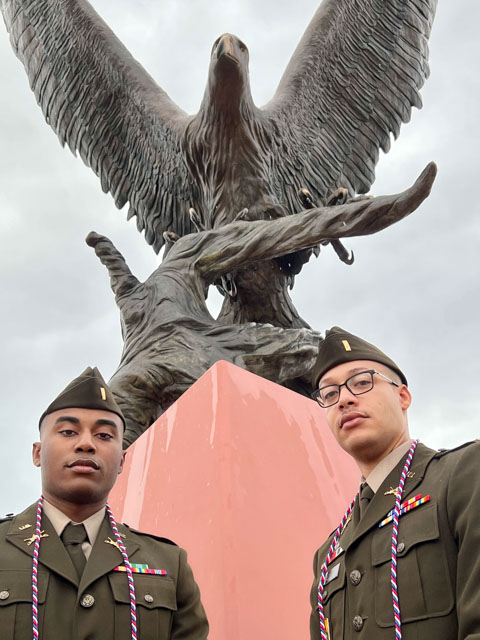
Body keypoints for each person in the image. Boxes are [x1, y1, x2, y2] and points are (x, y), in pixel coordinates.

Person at [0, 367, 209, 639]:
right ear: (38, 453)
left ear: (122, 461)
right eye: (67, 432)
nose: (86, 444)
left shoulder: (169, 563)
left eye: (104, 436)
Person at [309, 326, 480, 640]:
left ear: (403, 396)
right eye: (330, 394)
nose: (344, 400)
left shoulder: (464, 474)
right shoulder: (329, 552)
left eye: (361, 382)